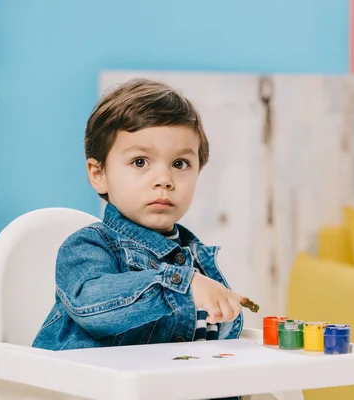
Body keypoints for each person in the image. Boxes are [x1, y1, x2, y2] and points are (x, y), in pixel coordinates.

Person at [33, 79, 245, 352]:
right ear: (99, 175)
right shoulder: (88, 246)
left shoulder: (197, 259)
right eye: (140, 162)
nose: (164, 179)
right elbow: (92, 307)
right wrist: (179, 285)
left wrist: (222, 314)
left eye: (180, 164)